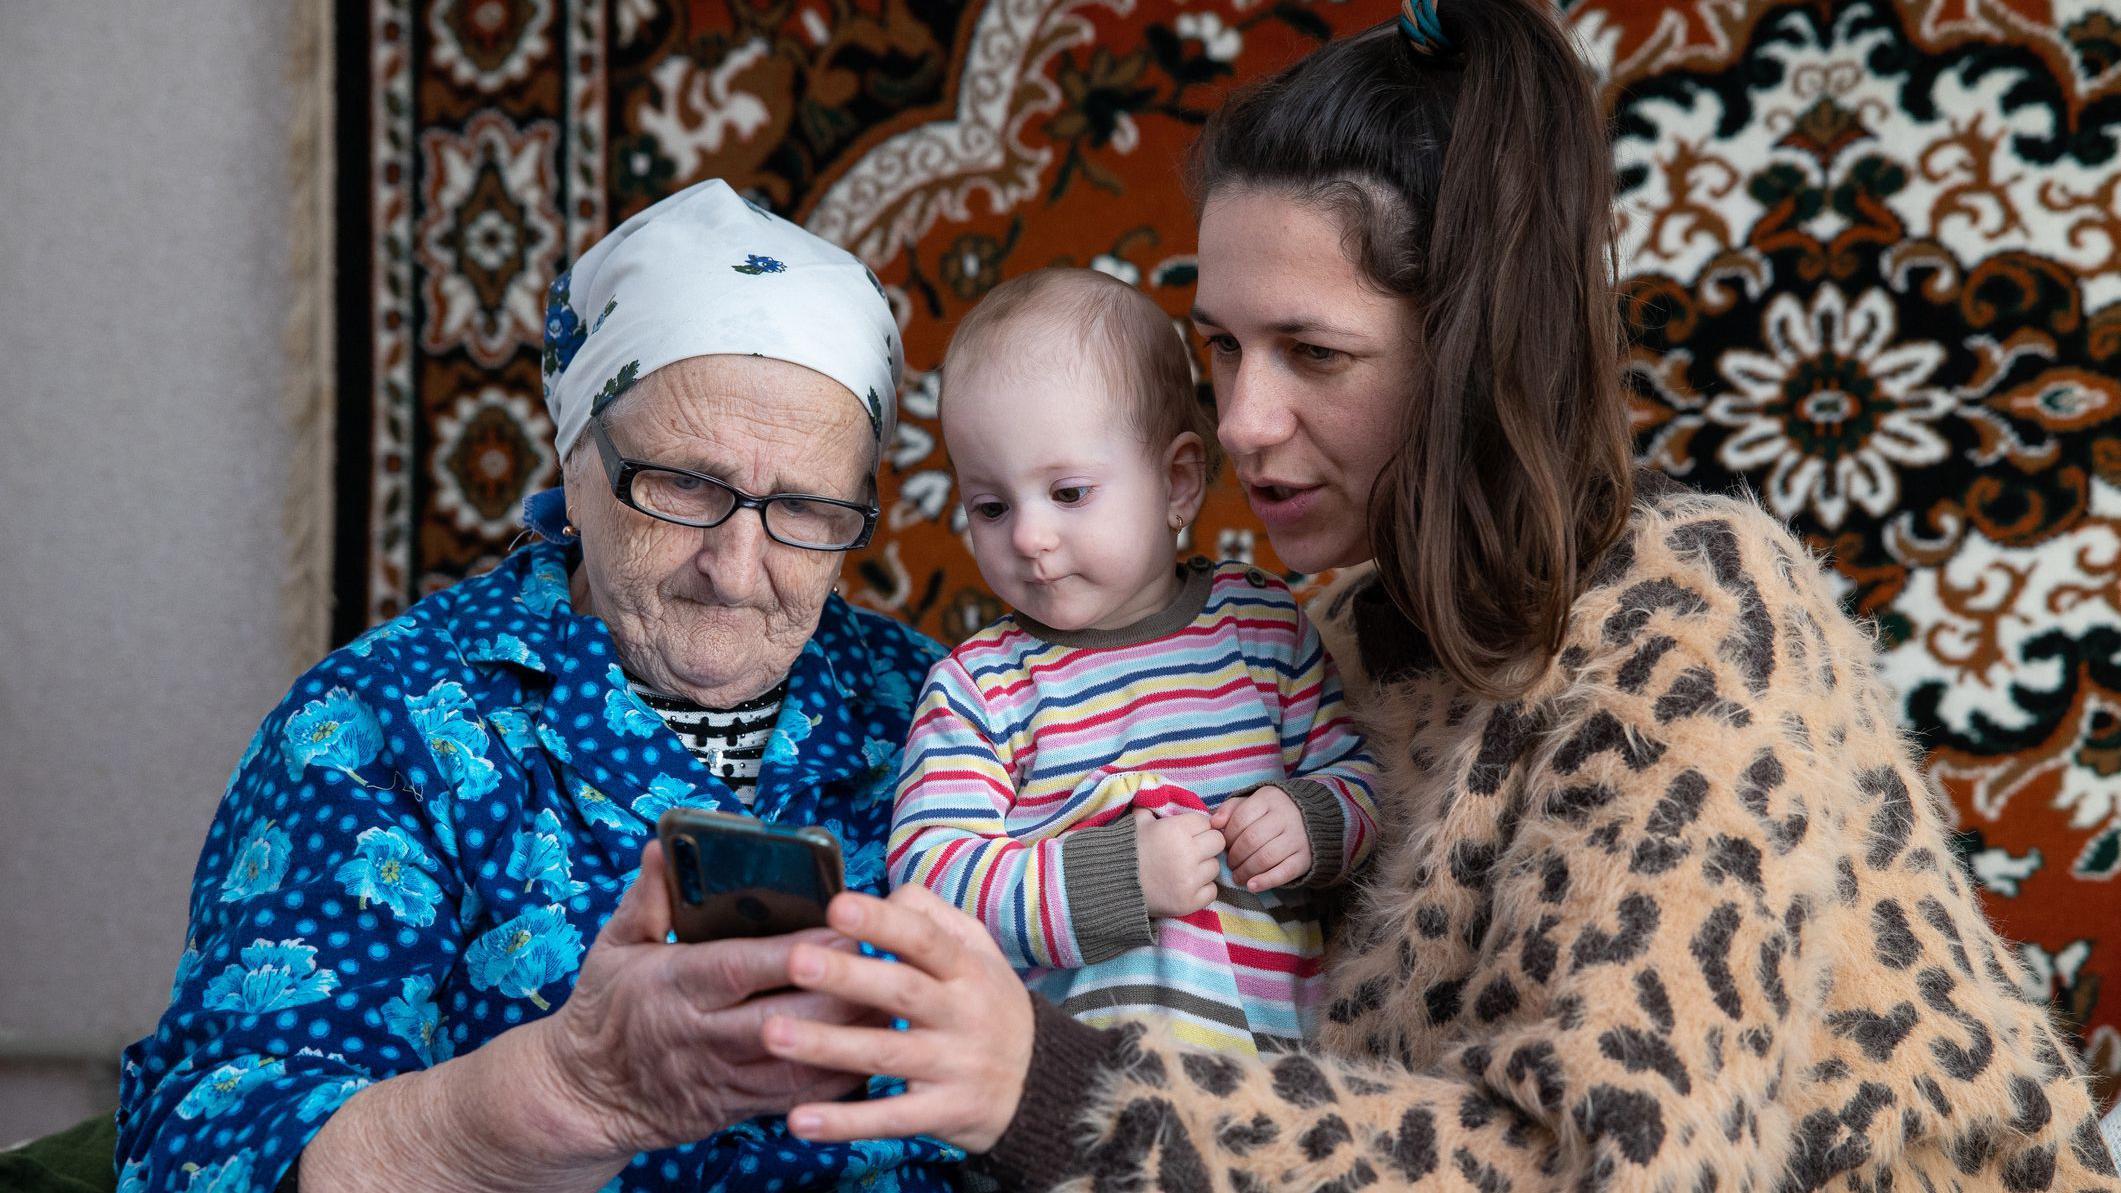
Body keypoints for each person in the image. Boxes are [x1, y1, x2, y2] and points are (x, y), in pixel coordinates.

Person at [750, 5, 2121, 1189]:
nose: (1240, 419)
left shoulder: (1689, 617)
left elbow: (1609, 1163)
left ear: (1470, 345)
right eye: (1221, 347)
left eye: (1313, 352)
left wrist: (1053, 1088)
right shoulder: (1311, 644)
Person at [117, 180, 965, 1192]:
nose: (735, 569)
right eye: (683, 484)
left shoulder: (943, 712)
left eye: (807, 507)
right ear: (575, 458)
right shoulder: (379, 723)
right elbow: (201, 1149)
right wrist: (565, 1094)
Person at [888, 268, 1380, 1055]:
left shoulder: (1261, 632)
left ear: (1176, 483)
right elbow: (929, 882)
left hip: (1274, 1077)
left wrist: (1308, 820)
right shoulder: (978, 688)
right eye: (990, 506)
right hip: (1070, 1080)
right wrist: (1113, 881)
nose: (1028, 536)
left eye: (1068, 493)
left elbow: (1365, 782)